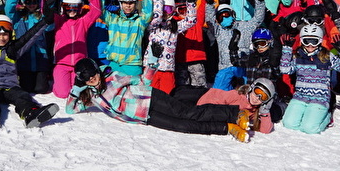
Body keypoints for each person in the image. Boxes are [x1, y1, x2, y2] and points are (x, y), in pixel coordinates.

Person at [66, 56, 251, 141]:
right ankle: (228, 128)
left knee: (189, 112)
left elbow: (142, 80)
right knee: (183, 126)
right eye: (86, 78)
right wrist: (75, 89)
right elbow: (70, 109)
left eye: (92, 74)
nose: (91, 78)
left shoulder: (113, 77)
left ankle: (235, 114)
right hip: (144, 117)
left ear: (96, 70)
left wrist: (152, 63)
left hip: (151, 99)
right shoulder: (92, 97)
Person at [280, 24, 340, 134]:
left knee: (309, 128)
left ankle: (327, 117)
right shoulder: (298, 56)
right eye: (306, 41)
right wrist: (287, 49)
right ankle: (309, 114)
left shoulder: (326, 56)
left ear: (319, 41)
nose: (309, 45)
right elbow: (285, 70)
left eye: (314, 41)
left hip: (319, 98)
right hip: (300, 97)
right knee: (289, 123)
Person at [52, 0, 102, 98]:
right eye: (68, 8)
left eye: (76, 8)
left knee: (78, 93)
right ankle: (57, 82)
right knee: (63, 94)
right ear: (63, 7)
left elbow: (97, 11)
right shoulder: (59, 21)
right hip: (62, 63)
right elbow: (46, 13)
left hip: (79, 65)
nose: (72, 11)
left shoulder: (83, 21)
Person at [197, 78, 277, 139]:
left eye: (263, 97)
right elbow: (208, 103)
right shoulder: (236, 96)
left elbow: (265, 130)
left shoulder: (255, 110)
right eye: (257, 92)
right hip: (200, 96)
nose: (257, 98)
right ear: (251, 88)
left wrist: (265, 110)